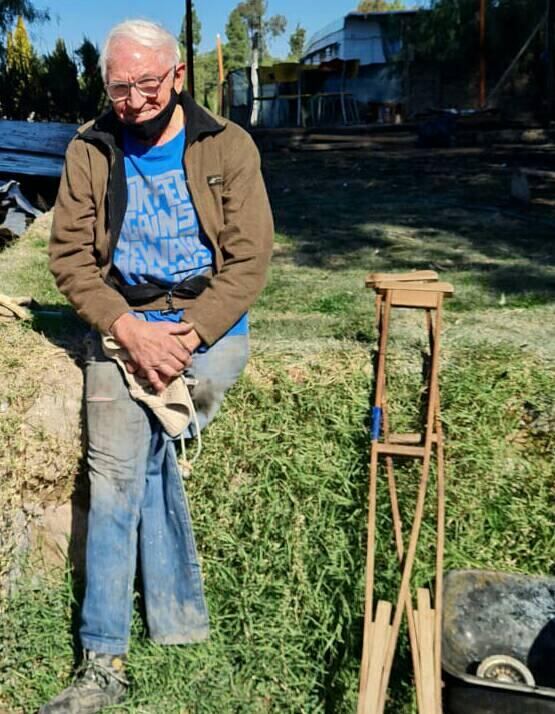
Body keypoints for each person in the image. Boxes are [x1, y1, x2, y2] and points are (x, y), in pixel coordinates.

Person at [42, 18, 273, 713]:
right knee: (114, 479)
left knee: (134, 454)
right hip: (123, 323)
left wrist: (188, 333)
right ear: (106, 85)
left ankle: (172, 618)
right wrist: (127, 330)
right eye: (121, 86)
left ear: (177, 77)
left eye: (148, 82)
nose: (135, 98)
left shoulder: (226, 145)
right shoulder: (91, 150)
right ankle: (101, 661)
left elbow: (250, 259)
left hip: (209, 324)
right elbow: (69, 259)